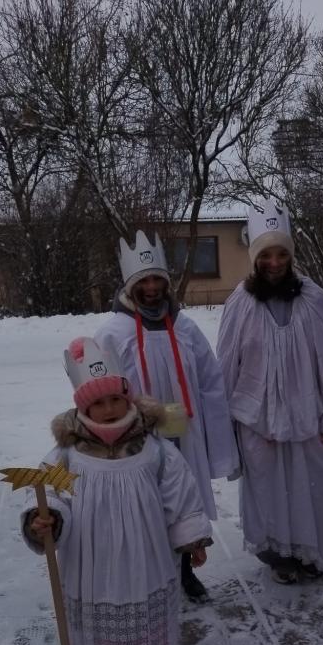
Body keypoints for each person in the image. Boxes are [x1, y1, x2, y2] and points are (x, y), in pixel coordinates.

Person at [21, 336, 212, 645]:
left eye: (115, 399)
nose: (108, 408)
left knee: (150, 618)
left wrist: (191, 538)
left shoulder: (155, 449)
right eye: (98, 402)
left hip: (148, 554)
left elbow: (180, 494)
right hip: (94, 560)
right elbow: (47, 494)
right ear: (83, 407)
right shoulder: (67, 456)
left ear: (128, 398)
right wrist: (45, 518)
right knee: (108, 625)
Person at [96, 232, 238, 602]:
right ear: (131, 285)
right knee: (146, 505)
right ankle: (152, 577)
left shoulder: (186, 328)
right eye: (143, 281)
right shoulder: (112, 333)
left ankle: (185, 571)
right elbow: (99, 390)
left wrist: (214, 432)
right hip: (138, 436)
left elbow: (210, 380)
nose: (151, 288)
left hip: (183, 432)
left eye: (157, 279)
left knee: (183, 500)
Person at [216, 201, 323, 583]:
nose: (274, 263)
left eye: (281, 254)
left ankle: (310, 554)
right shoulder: (239, 304)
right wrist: (226, 424)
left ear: (291, 256)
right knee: (269, 490)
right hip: (257, 418)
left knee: (314, 488)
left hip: (309, 415)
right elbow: (226, 364)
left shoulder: (314, 299)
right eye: (265, 255)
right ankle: (278, 557)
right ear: (254, 258)